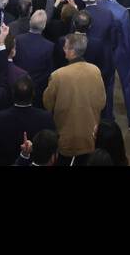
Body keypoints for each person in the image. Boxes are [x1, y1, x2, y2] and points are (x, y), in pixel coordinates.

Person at [42, 33, 106, 164]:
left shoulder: (58, 75)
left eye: (65, 47)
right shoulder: (95, 71)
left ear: (72, 51)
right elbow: (102, 102)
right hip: (90, 137)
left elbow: (47, 104)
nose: (63, 49)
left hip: (67, 138)